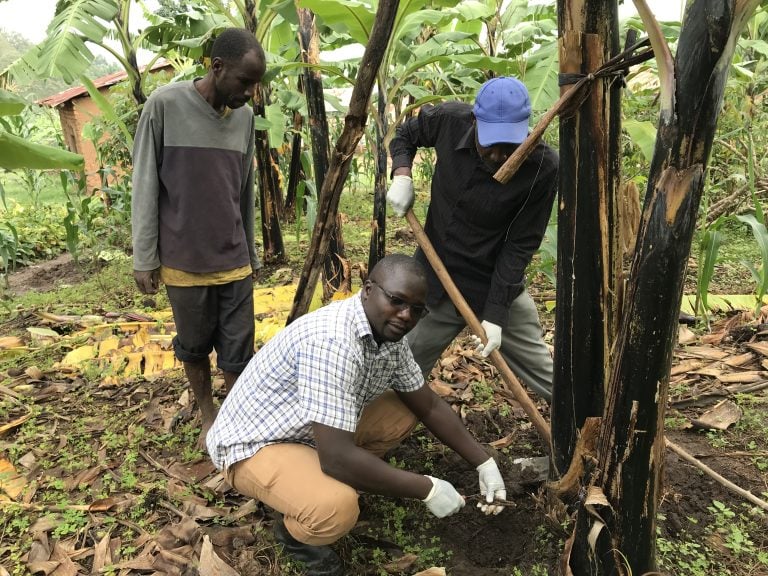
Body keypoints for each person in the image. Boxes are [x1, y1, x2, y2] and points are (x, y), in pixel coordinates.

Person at [207, 254, 507, 576]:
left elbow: (428, 405)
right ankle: (295, 536)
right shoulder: (334, 341)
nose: (405, 316)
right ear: (367, 290)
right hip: (254, 444)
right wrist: (427, 488)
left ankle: (316, 481)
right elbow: (335, 457)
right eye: (396, 301)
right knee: (336, 507)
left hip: (309, 432)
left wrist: (484, 462)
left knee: (403, 408)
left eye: (416, 310)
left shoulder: (389, 336)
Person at [131, 28, 266, 446]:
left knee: (238, 350)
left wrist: (251, 251)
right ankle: (208, 414)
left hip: (234, 258)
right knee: (193, 346)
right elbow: (145, 183)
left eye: (256, 84)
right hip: (184, 259)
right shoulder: (165, 106)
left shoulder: (243, 119)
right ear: (217, 66)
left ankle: (237, 419)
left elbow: (244, 191)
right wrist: (145, 256)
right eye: (244, 82)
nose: (250, 93)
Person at [387, 76, 558, 403]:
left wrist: (495, 314)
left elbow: (520, 245)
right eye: (490, 142)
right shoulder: (449, 120)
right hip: (435, 277)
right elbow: (406, 134)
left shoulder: (542, 166)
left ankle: (587, 435)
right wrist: (402, 174)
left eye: (510, 145)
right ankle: (377, 438)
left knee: (548, 377)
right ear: (475, 121)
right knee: (401, 366)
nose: (497, 155)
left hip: (492, 283)